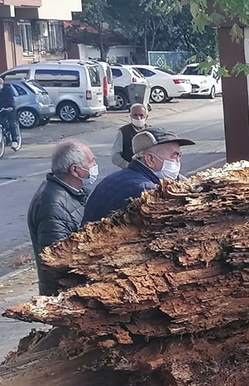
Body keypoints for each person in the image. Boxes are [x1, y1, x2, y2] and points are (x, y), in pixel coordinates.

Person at [27, 140, 98, 295]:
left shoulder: (76, 192)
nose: (95, 164)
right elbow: (57, 260)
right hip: (66, 294)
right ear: (75, 170)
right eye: (91, 161)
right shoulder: (52, 205)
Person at [83, 127, 195, 224]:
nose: (178, 162)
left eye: (179, 156)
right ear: (150, 159)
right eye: (174, 156)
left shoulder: (121, 177)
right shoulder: (145, 191)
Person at [111, 104, 149, 169]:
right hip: (131, 171)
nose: (138, 118)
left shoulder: (152, 131)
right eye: (135, 115)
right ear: (131, 117)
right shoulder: (123, 132)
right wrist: (128, 166)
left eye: (141, 115)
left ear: (146, 117)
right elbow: (115, 156)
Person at [0, 75, 21, 151]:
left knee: (11, 123)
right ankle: (4, 135)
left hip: (9, 108)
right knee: (2, 123)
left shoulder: (7, 89)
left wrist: (10, 107)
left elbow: (11, 99)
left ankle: (14, 141)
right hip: (1, 108)